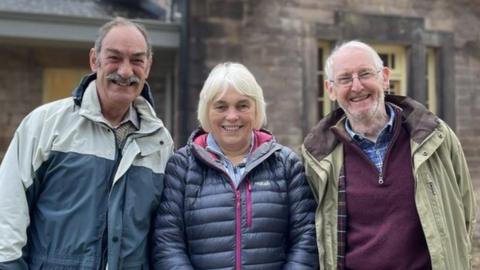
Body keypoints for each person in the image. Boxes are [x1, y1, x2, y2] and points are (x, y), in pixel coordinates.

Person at [0, 17, 173, 269]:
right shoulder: (45, 125)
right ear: (95, 60)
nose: (125, 71)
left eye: (136, 60)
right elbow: (7, 211)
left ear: (147, 66)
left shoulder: (160, 143)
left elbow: (163, 236)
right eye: (114, 57)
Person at [302, 40, 476, 270]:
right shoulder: (317, 157)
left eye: (365, 74)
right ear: (331, 90)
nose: (356, 86)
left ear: (384, 78)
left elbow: (464, 213)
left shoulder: (437, 137)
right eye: (345, 79)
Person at [152, 62, 318, 269]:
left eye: (242, 105)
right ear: (206, 110)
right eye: (221, 106)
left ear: (256, 109)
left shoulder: (286, 164)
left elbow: (306, 238)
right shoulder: (181, 167)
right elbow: (168, 243)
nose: (232, 116)